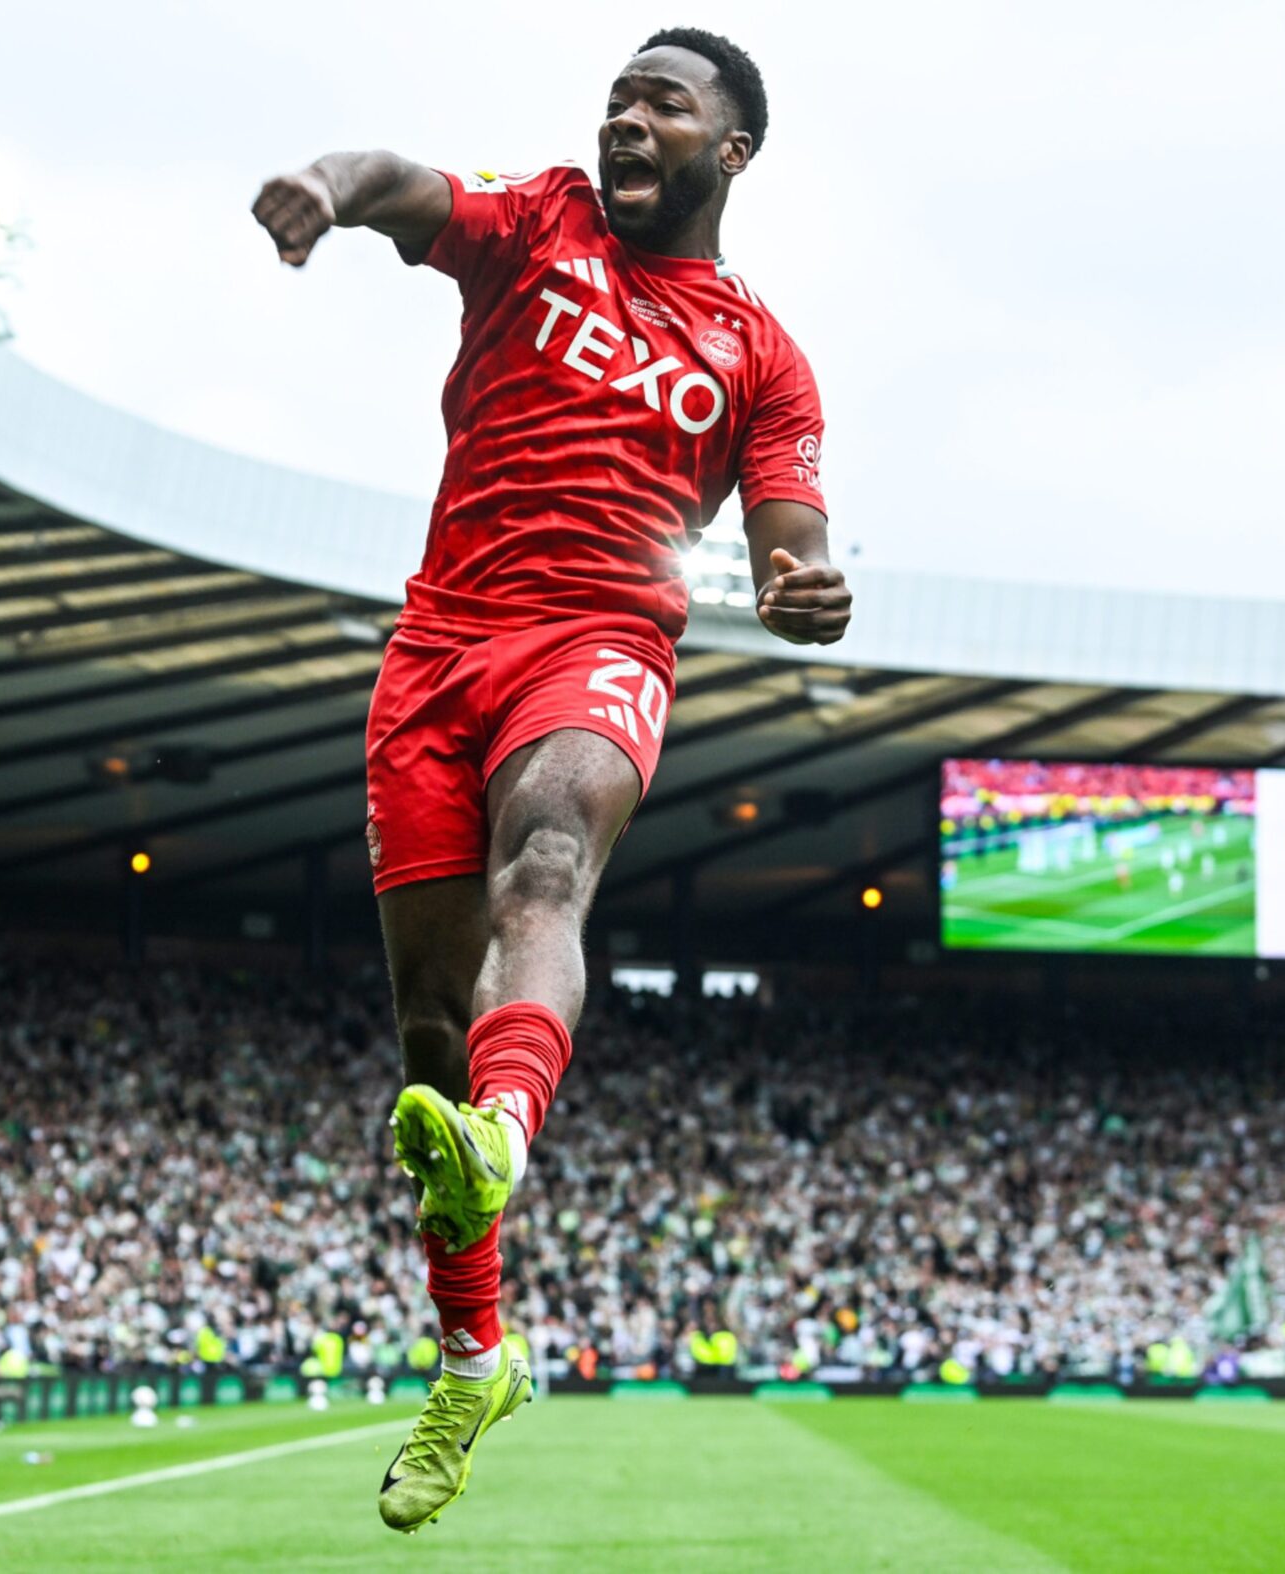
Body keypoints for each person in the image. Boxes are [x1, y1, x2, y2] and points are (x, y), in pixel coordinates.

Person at [251, 25, 852, 1534]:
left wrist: (802, 581)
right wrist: (326, 182)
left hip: (596, 643)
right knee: (426, 1030)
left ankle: (507, 1140)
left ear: (734, 149)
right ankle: (473, 1355)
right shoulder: (536, 224)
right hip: (438, 644)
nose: (628, 122)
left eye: (667, 104)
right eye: (618, 102)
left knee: (547, 865)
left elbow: (791, 527)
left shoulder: (762, 357)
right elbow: (403, 184)